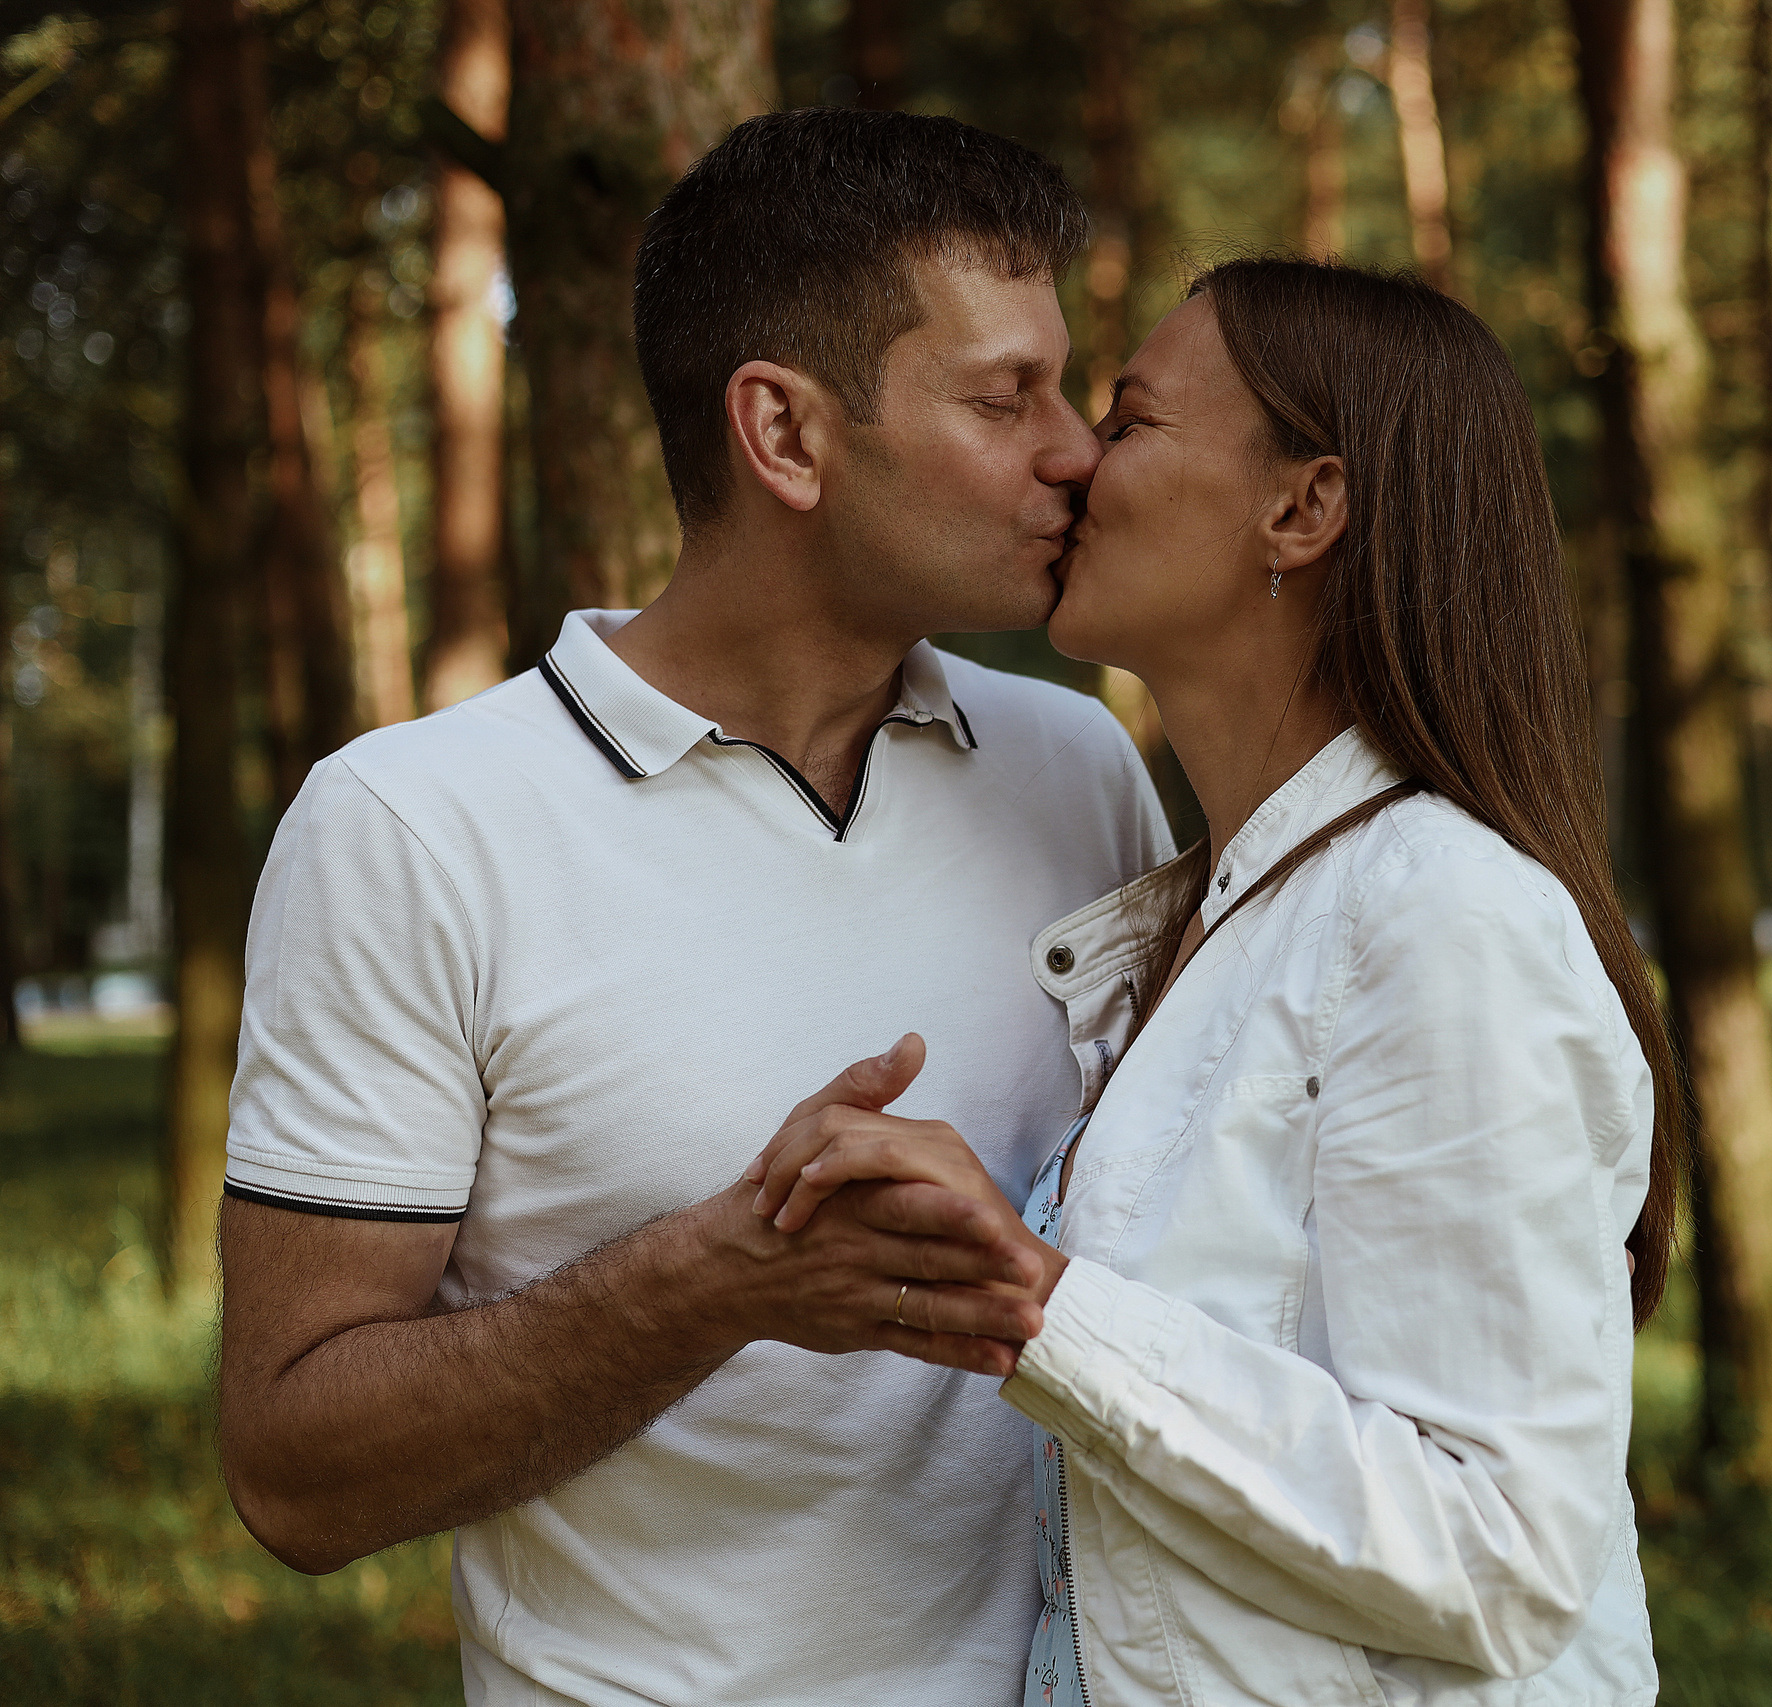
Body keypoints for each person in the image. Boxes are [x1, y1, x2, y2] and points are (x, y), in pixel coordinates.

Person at [214, 110, 1173, 1705]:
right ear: (784, 434)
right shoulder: (412, 827)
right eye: (1007, 397)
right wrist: (716, 1282)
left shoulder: (1078, 769)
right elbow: (294, 1475)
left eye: (1065, 389)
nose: (1076, 451)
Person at [754, 259, 1677, 1706]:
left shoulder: (1441, 918)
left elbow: (1500, 1548)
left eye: (1127, 420)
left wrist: (1039, 1306)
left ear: (1302, 509)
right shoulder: (1211, 914)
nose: (1073, 458)